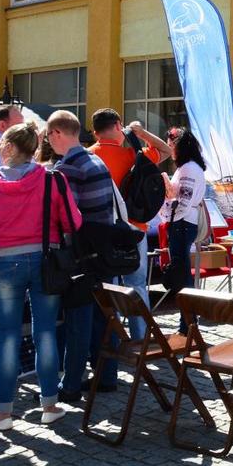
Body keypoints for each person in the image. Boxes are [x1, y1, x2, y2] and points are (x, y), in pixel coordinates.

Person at [0, 122, 81, 429]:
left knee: (7, 337)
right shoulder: (51, 179)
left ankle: (3, 413)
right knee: (45, 332)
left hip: (4, 262)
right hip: (44, 260)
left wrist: (0, 229)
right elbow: (74, 221)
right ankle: (50, 405)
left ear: (9, 147)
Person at [46, 110, 118, 403]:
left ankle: (72, 384)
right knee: (104, 315)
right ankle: (107, 376)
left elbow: (67, 217)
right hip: (103, 251)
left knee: (78, 320)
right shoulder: (95, 159)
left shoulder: (69, 168)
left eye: (49, 136)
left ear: (57, 134)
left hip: (81, 255)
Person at [90, 108, 170, 339]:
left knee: (107, 285)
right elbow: (165, 150)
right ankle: (140, 338)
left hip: (101, 229)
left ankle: (111, 339)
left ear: (95, 133)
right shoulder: (134, 156)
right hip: (134, 228)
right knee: (136, 285)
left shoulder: (89, 156)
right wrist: (141, 132)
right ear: (118, 126)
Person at [161, 128, 207, 333]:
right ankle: (188, 322)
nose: (170, 150)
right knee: (183, 273)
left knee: (182, 275)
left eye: (171, 146)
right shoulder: (190, 167)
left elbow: (183, 202)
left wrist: (168, 205)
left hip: (181, 222)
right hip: (182, 222)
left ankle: (187, 324)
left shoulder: (188, 169)